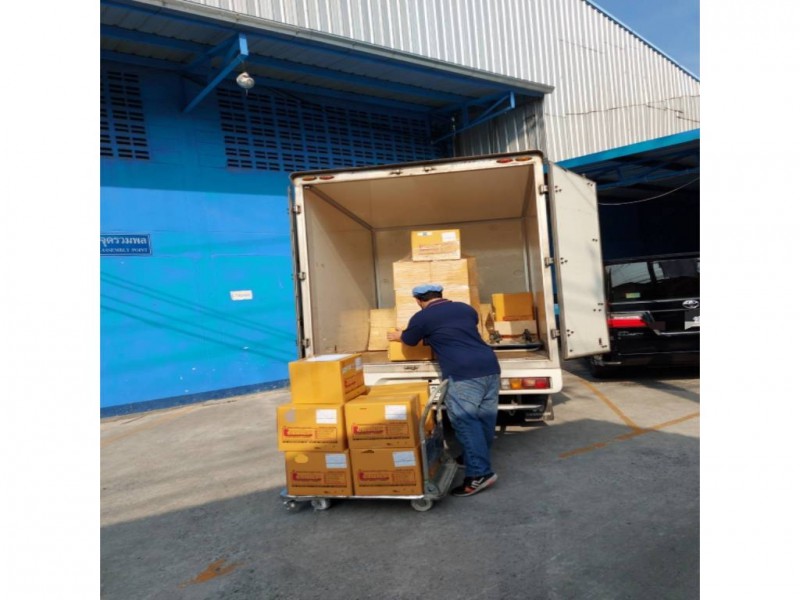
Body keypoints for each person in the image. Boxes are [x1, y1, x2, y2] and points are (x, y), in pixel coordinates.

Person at [387, 283, 501, 497]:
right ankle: (472, 458)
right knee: (484, 418)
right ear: (440, 295)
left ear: (418, 300)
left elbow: (410, 341)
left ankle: (479, 474)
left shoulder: (422, 317)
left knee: (466, 422)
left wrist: (398, 335)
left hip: (463, 373)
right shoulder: (466, 309)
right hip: (490, 366)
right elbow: (453, 331)